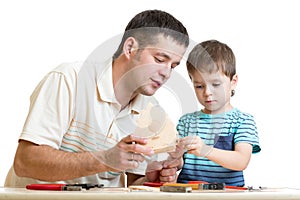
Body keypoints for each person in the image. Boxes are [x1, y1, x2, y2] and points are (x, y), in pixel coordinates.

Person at [5, 9, 189, 187]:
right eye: (159, 59)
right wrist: (105, 159)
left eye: (173, 66)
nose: (166, 73)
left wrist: (153, 180)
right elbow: (25, 161)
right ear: (130, 48)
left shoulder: (152, 111)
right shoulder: (69, 79)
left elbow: (134, 183)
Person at [176, 40, 260, 186]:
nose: (207, 92)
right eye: (199, 86)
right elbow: (178, 162)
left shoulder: (242, 121)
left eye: (215, 84)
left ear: (233, 81)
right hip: (189, 195)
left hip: (229, 195)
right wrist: (171, 159)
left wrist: (205, 150)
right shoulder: (186, 121)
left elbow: (241, 161)